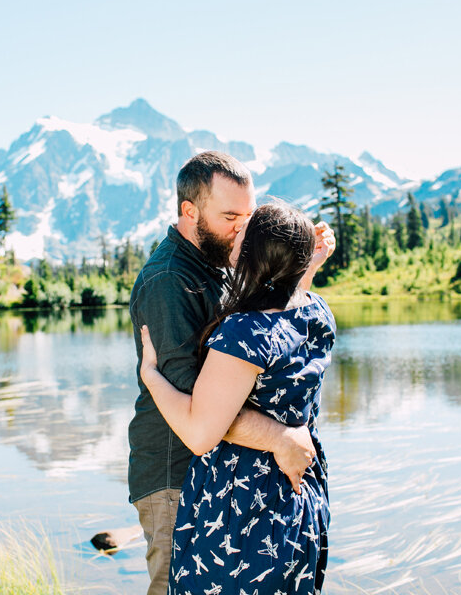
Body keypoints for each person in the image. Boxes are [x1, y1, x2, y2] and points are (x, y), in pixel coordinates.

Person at [128, 151, 334, 594]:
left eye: (248, 218)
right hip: (176, 478)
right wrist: (279, 437)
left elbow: (274, 334)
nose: (242, 229)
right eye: (229, 217)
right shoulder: (169, 282)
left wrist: (302, 265)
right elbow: (200, 414)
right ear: (189, 212)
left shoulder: (223, 264)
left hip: (228, 482)